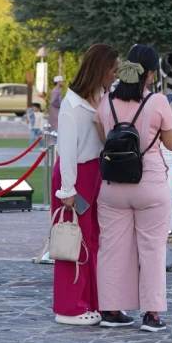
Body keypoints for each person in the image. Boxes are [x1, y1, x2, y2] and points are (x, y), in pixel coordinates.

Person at [94, 44, 172, 332]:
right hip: (149, 183)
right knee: (152, 249)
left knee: (112, 249)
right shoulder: (157, 102)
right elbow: (171, 143)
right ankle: (151, 315)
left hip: (113, 185)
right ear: (151, 73)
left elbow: (103, 137)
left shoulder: (107, 102)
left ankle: (111, 309)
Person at [52, 44, 116, 326]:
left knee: (92, 240)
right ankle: (70, 308)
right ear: (101, 69)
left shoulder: (101, 98)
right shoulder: (71, 105)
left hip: (93, 174)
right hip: (75, 178)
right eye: (113, 70)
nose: (115, 75)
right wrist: (68, 191)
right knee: (73, 240)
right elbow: (65, 150)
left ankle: (91, 302)